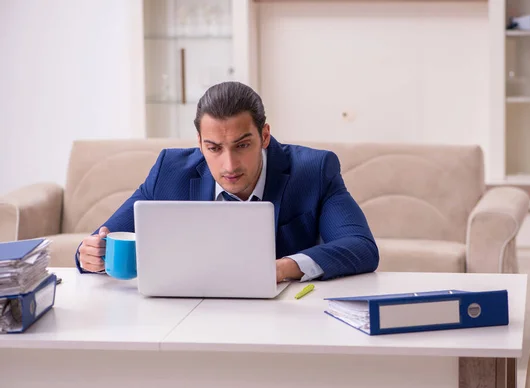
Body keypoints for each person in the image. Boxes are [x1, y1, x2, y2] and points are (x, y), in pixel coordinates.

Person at [76, 81, 379, 282]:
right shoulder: (170, 170)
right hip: (186, 320)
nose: (229, 165)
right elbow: (102, 240)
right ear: (199, 142)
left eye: (242, 145)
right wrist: (88, 254)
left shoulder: (314, 170)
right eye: (214, 148)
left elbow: (361, 247)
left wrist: (281, 268)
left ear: (264, 136)